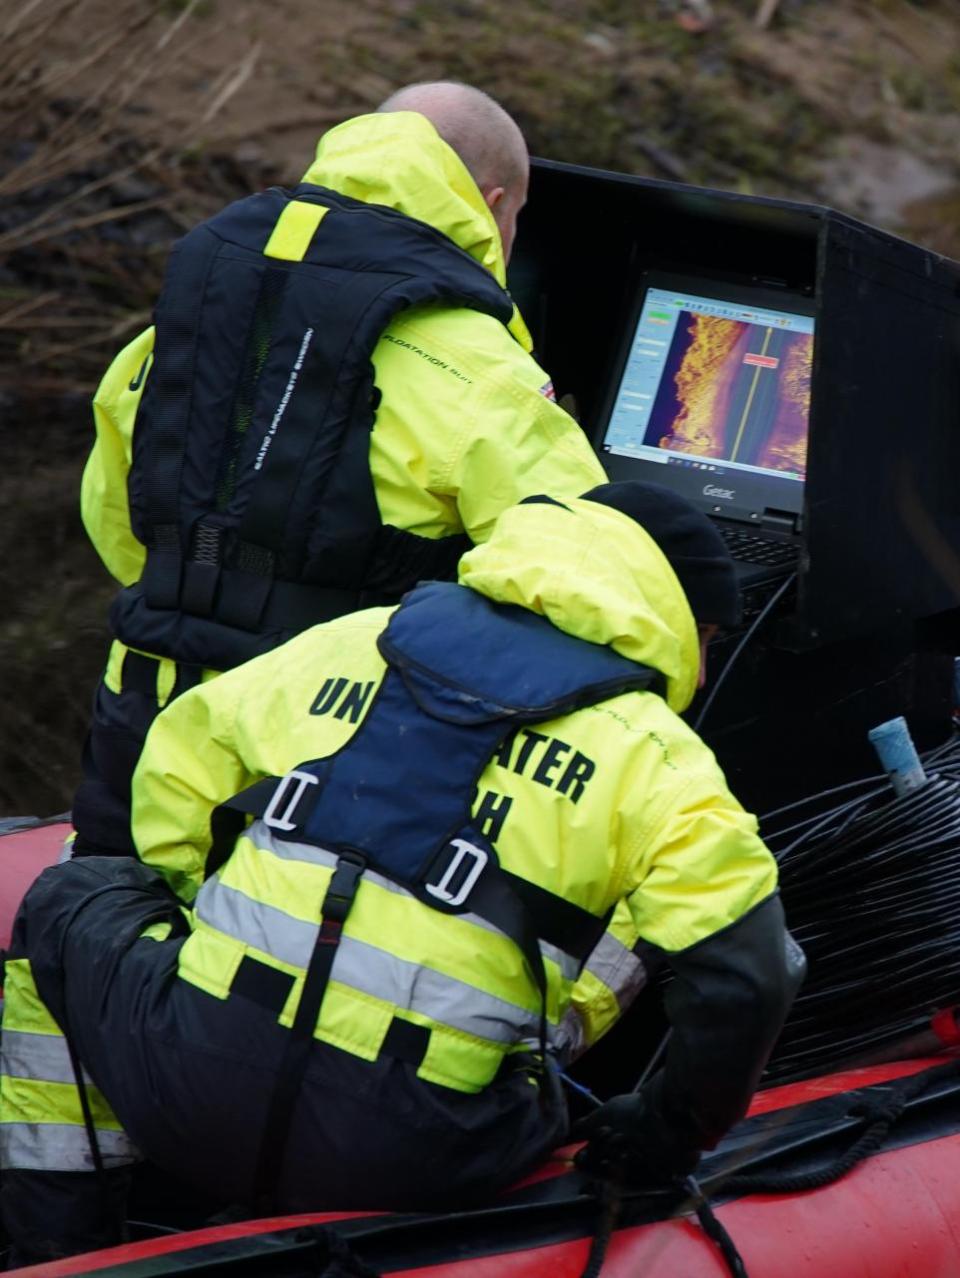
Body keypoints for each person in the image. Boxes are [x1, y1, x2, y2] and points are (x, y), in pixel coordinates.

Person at [0, 482, 804, 1263]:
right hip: (428, 1156)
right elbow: (749, 979)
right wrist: (662, 1134)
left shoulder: (358, 639)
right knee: (613, 914)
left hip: (188, 1094)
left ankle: (61, 1246)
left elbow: (177, 755)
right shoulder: (663, 760)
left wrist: (180, 942)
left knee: (72, 891)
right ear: (683, 620)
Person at [72, 80, 606, 858]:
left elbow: (114, 510)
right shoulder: (479, 365)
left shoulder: (206, 298)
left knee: (94, 933)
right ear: (492, 202)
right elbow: (580, 583)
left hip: (143, 707)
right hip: (323, 745)